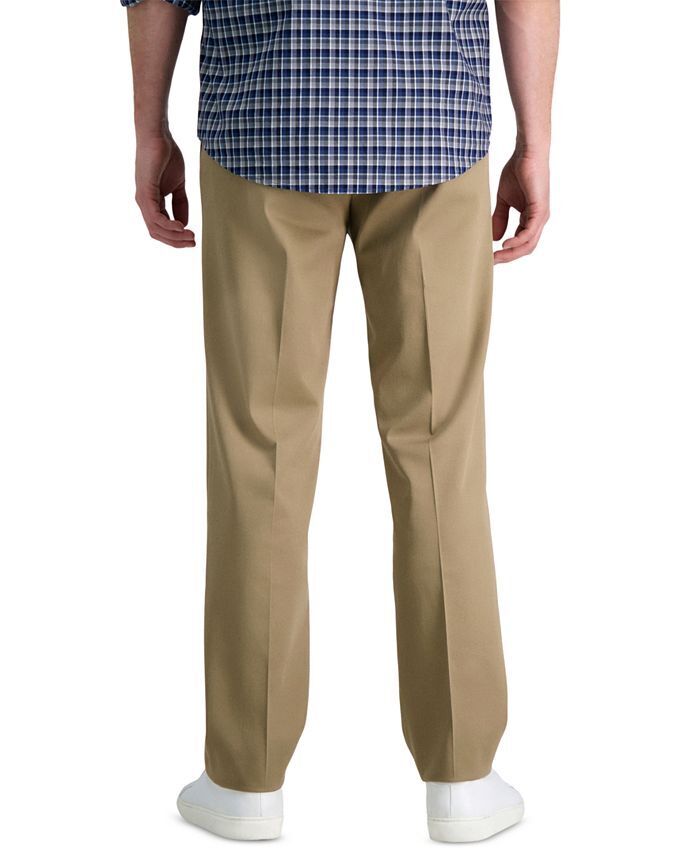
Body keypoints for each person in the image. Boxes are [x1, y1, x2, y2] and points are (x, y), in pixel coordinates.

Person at [122, 0, 559, 842]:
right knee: (439, 447)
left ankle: (244, 778)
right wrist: (535, 140)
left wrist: (149, 128)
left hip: (266, 115)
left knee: (259, 453)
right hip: (432, 117)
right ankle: (463, 776)